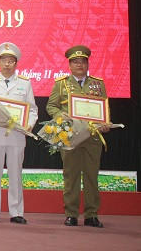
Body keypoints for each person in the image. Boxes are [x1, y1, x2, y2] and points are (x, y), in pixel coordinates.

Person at [46, 45, 109, 228]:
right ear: (70, 65)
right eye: (75, 62)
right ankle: (71, 214)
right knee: (71, 176)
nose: (79, 65)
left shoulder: (98, 84)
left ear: (88, 64)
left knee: (91, 176)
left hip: (93, 137)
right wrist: (61, 115)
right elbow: (51, 106)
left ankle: (91, 215)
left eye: (83, 61)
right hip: (70, 136)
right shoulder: (61, 84)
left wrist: (105, 123)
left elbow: (105, 108)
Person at [0, 42, 38, 224]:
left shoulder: (25, 83)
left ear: (16, 63)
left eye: (11, 60)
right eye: (4, 60)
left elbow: (32, 109)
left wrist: (29, 125)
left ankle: (16, 212)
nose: (7, 63)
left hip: (17, 136)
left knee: (16, 175)